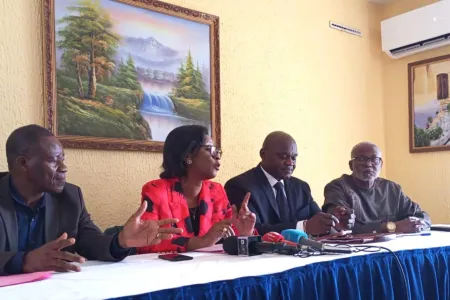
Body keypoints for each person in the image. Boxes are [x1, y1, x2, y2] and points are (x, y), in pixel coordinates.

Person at [0, 125, 182, 275]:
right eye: (54, 161)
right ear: (23, 163)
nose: (64, 168)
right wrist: (24, 261)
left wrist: (121, 241)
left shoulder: (70, 197)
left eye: (63, 159)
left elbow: (90, 241)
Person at [137, 125, 256, 253]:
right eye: (210, 149)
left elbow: (228, 235)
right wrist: (202, 241)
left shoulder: (215, 190)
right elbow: (146, 242)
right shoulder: (156, 190)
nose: (217, 156)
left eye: (217, 150)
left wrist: (244, 233)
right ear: (188, 155)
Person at [225, 131, 355, 236]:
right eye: (283, 157)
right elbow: (252, 231)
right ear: (263, 154)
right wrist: (303, 227)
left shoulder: (301, 187)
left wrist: (335, 223)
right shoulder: (239, 186)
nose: (290, 163)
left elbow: (317, 220)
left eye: (293, 157)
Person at [322, 142, 431, 234]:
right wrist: (392, 227)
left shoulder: (392, 188)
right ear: (351, 165)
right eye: (361, 159)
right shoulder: (337, 188)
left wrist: (417, 224)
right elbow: (344, 226)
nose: (368, 164)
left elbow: (423, 216)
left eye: (374, 159)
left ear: (381, 164)